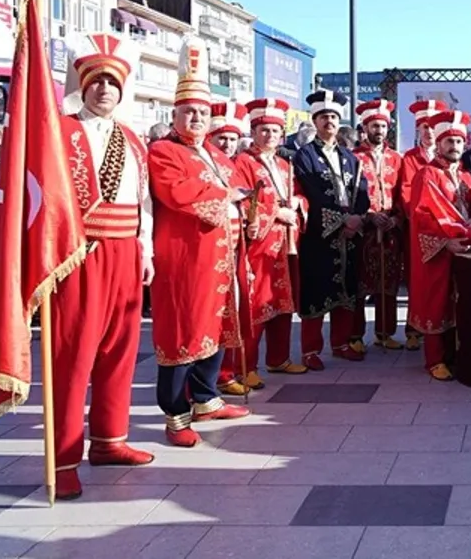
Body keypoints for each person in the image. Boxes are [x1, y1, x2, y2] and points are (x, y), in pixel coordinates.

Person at [50, 33, 156, 500]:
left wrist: (145, 249)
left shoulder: (133, 139)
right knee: (73, 355)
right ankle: (64, 458)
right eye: (97, 82)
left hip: (126, 252)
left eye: (113, 83)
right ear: (83, 84)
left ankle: (111, 439)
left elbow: (146, 202)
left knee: (121, 350)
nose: (105, 90)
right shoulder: (59, 130)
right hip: (81, 251)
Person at [149, 36, 251, 450]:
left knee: (215, 327)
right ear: (174, 115)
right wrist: (227, 197)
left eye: (202, 113)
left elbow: (243, 186)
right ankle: (175, 416)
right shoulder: (163, 151)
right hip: (185, 259)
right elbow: (177, 192)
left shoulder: (218, 155)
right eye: (188, 112)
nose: (196, 119)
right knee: (183, 333)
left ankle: (207, 398)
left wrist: (245, 198)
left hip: (219, 259)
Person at [227, 98, 308, 391]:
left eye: (274, 131)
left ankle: (279, 357)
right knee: (256, 305)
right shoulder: (243, 162)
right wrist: (275, 212)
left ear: (282, 135)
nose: (269, 136)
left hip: (285, 244)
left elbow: (298, 195)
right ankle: (245, 365)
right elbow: (241, 199)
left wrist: (298, 204)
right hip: (259, 245)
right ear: (253, 131)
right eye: (263, 130)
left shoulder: (285, 165)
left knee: (282, 304)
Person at [294, 89, 369, 369]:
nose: (330, 122)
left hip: (350, 235)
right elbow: (312, 192)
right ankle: (310, 350)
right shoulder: (304, 156)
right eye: (324, 116)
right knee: (316, 289)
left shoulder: (350, 157)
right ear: (315, 120)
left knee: (347, 288)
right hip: (319, 234)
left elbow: (362, 190)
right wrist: (341, 220)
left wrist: (358, 218)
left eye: (335, 117)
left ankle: (341, 343)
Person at [407, 110, 471, 381]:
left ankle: (455, 352)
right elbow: (422, 216)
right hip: (440, 250)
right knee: (437, 302)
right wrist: (444, 242)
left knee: (459, 303)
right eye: (449, 142)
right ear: (438, 144)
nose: (454, 147)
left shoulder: (466, 177)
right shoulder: (427, 174)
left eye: (459, 142)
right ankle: (434, 359)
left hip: (464, 248)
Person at [354, 99, 404, 351]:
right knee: (361, 283)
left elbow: (404, 194)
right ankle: (355, 336)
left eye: (383, 126)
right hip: (364, 230)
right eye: (374, 126)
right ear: (365, 128)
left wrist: (396, 218)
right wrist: (369, 215)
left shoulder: (397, 158)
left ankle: (385, 332)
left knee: (390, 282)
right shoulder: (353, 158)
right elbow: (349, 197)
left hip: (390, 229)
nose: (379, 131)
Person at [398, 100, 444, 351]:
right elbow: (406, 193)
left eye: (433, 127)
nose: (429, 132)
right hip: (418, 229)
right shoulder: (410, 158)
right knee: (416, 280)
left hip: (444, 230)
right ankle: (414, 328)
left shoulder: (447, 156)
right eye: (424, 127)